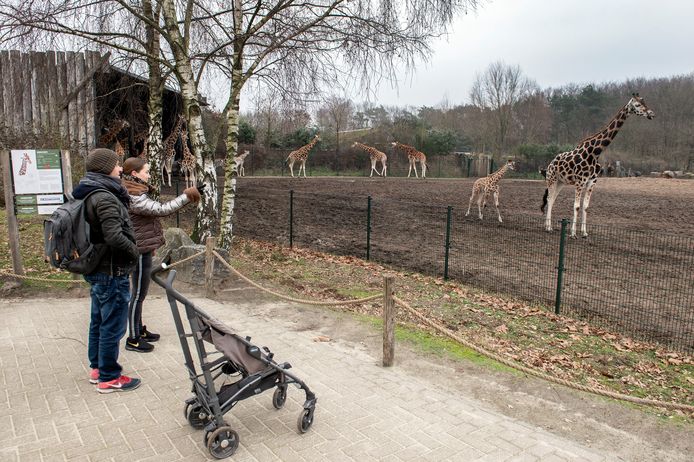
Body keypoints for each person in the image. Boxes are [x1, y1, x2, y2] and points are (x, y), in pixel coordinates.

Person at [72, 148, 141, 393]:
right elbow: (114, 236)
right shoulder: (105, 196)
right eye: (116, 164)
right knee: (112, 325)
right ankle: (110, 377)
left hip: (98, 268)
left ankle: (98, 369)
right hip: (112, 270)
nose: (120, 168)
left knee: (98, 321)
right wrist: (134, 251)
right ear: (105, 168)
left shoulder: (88, 191)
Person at [121, 157, 202, 353]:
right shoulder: (133, 195)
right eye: (146, 171)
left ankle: (138, 329)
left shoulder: (134, 190)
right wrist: (186, 196)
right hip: (139, 249)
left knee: (140, 293)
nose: (148, 175)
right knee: (138, 294)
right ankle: (132, 338)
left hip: (143, 247)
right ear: (134, 173)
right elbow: (161, 209)